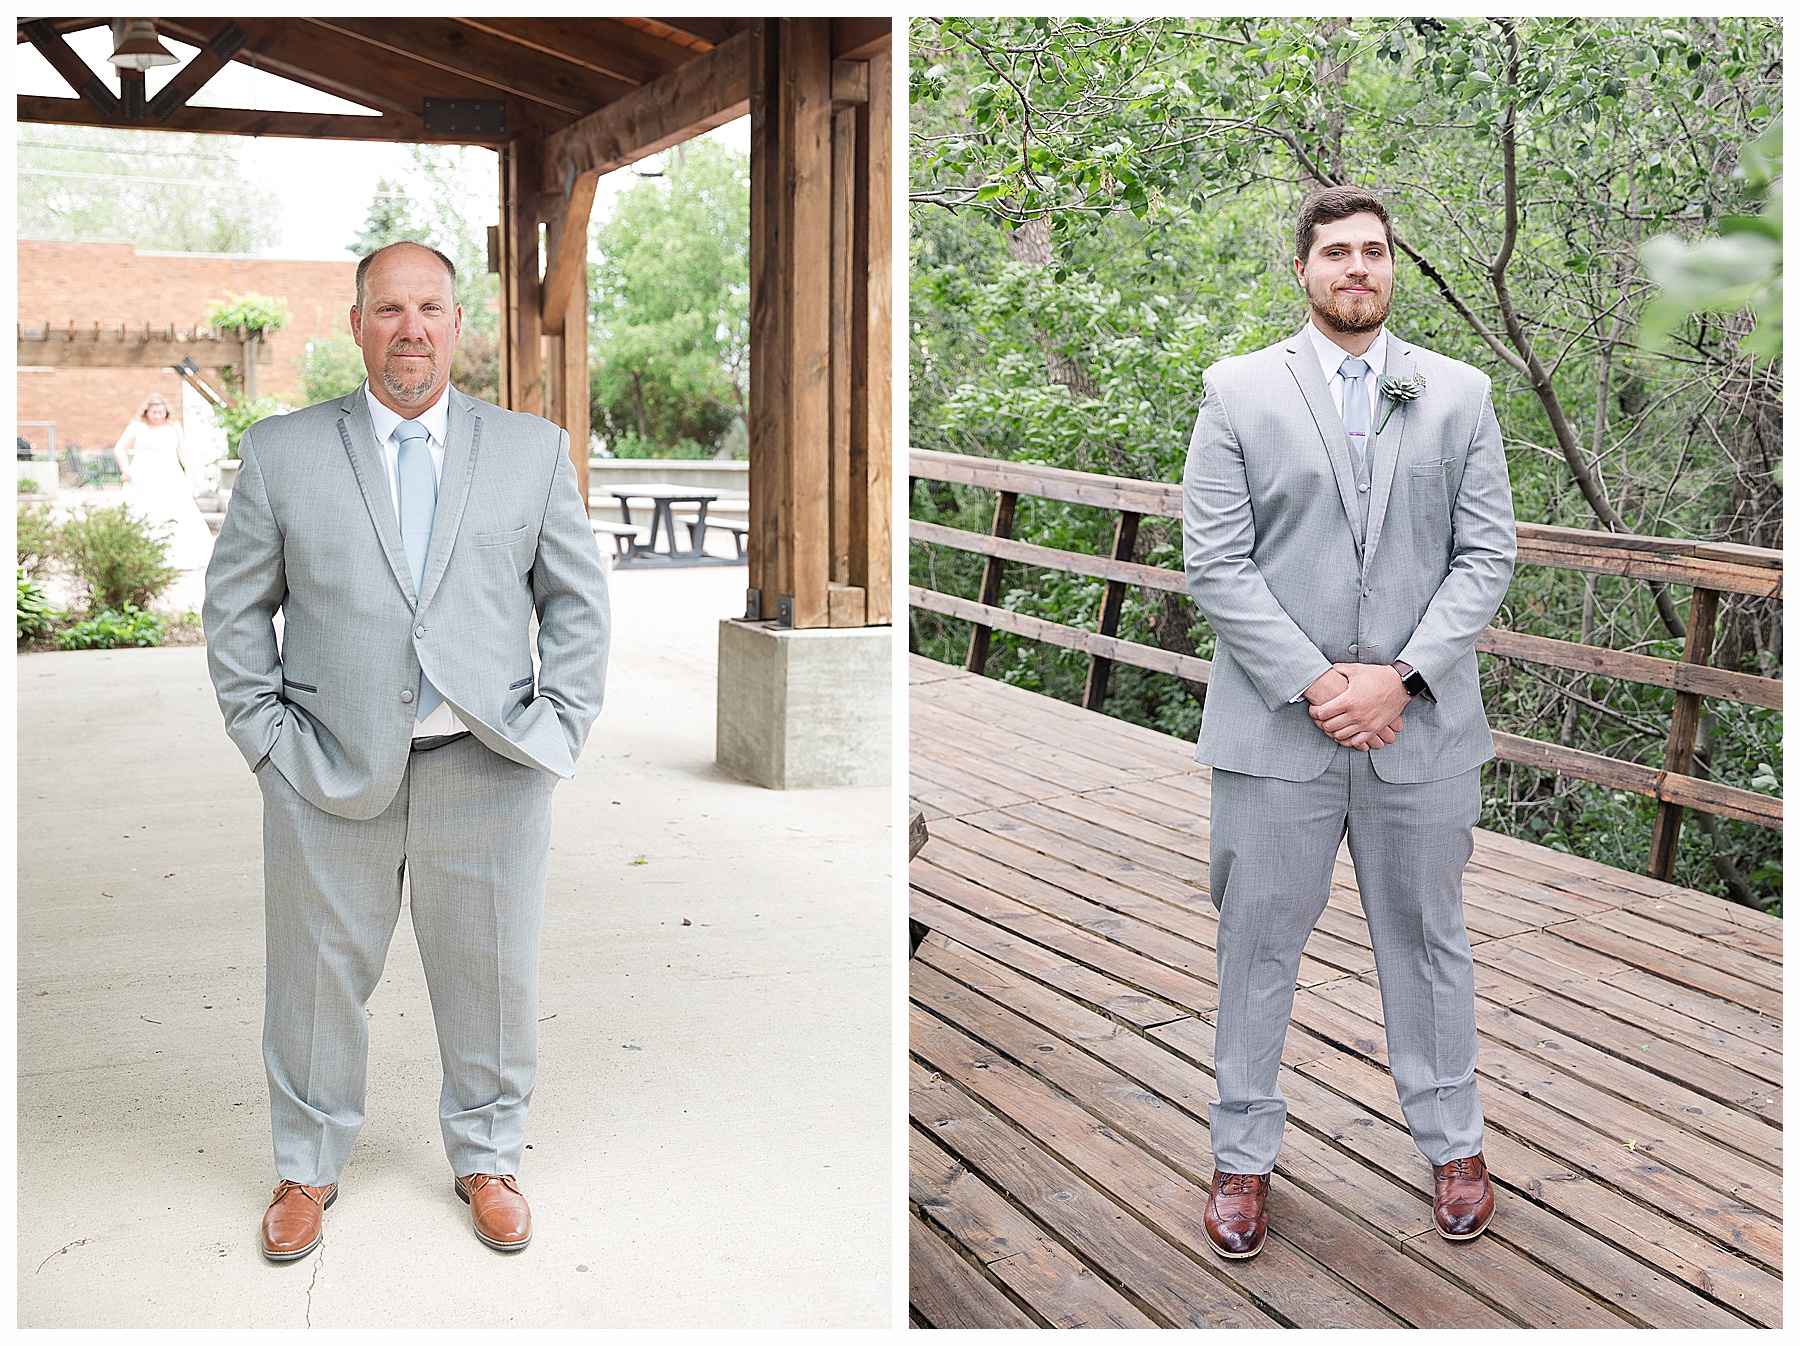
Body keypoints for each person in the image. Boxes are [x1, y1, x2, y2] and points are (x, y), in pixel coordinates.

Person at [203, 241, 611, 1261]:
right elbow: (235, 611)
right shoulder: (282, 452)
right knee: (314, 976)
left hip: (489, 760)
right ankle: (306, 1162)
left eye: (430, 307)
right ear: (357, 325)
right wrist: (266, 740)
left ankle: (488, 1153)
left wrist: (555, 729)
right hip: (327, 764)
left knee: (492, 971)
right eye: (389, 309)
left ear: (457, 323)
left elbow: (576, 606)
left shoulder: (530, 450)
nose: (411, 328)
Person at [1181, 186, 1516, 1259]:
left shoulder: (1458, 394)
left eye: (1374, 251)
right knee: (1257, 942)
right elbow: (1216, 561)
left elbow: (1487, 553)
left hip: (1419, 727)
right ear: (1304, 271)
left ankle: (1453, 1140)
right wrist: (1322, 681)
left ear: (1392, 268)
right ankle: (1242, 1157)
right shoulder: (1237, 391)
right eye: (1337, 252)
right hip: (1277, 728)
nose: (1357, 267)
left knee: (1428, 941)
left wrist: (1402, 678)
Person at [115, 392, 214, 570]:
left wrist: (194, 475)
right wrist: (126, 470)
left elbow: (182, 452)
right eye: (154, 412)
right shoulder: (136, 427)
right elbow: (119, 449)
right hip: (143, 478)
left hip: (170, 476)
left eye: (161, 412)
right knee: (144, 511)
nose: (158, 416)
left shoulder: (173, 427)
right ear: (146, 412)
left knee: (176, 511)